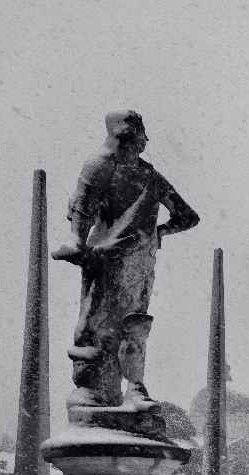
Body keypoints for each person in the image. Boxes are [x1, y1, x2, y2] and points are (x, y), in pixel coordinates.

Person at [53, 110, 200, 417]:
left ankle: (97, 391)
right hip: (141, 263)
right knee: (133, 326)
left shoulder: (99, 167)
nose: (140, 143)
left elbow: (82, 211)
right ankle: (133, 388)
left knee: (98, 326)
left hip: (108, 260)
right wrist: (158, 232)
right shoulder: (149, 176)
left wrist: (77, 244)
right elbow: (187, 217)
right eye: (138, 137)